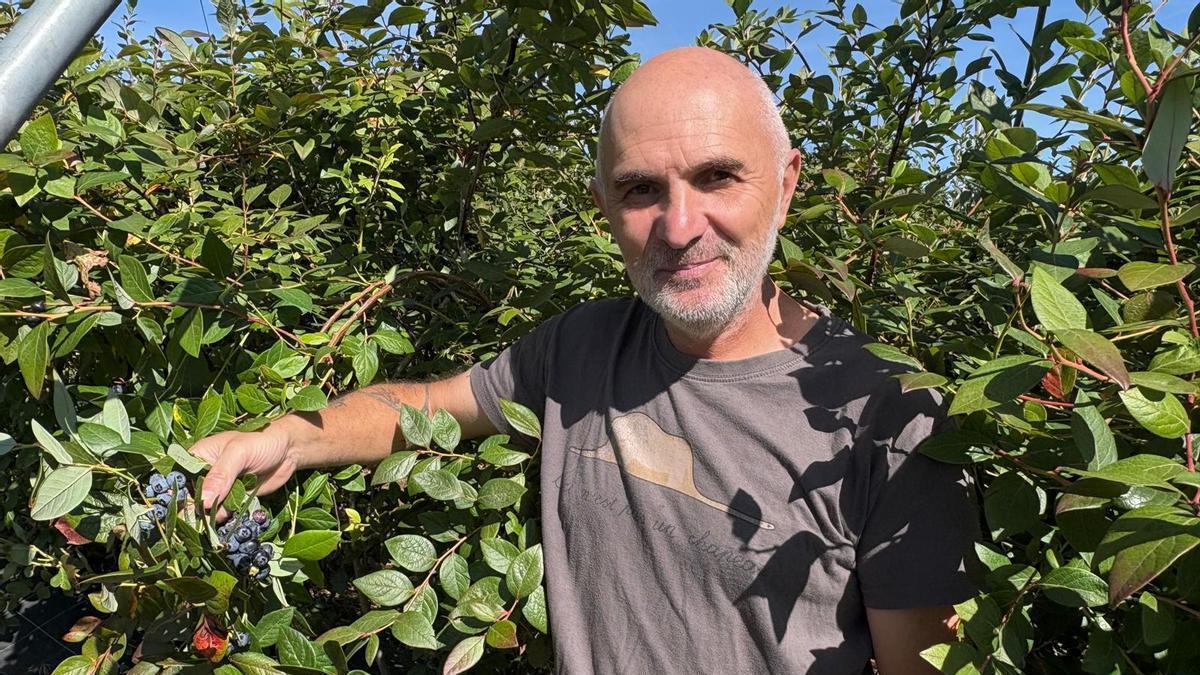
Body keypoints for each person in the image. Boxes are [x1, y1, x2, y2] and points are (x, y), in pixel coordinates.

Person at [192, 46, 980, 675]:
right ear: (604, 207)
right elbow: (431, 407)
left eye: (716, 177)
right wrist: (291, 436)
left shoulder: (892, 417)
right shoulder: (580, 348)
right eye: (641, 189)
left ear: (786, 181)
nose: (678, 225)